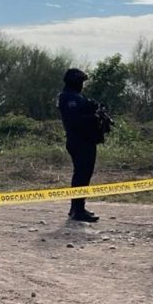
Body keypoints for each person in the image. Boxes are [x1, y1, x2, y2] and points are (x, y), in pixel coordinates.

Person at [57, 68, 101, 222]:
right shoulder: (69, 97)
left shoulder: (75, 96)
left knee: (82, 175)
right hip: (80, 141)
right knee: (81, 175)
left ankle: (76, 208)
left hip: (83, 140)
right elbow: (75, 121)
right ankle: (78, 210)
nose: (83, 85)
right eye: (81, 81)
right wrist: (91, 114)